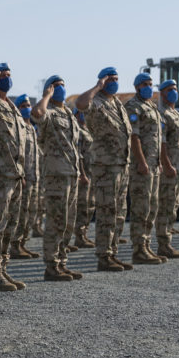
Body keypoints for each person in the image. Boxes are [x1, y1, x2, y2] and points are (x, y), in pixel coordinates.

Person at [76, 67, 132, 271]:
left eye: (117, 79)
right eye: (110, 79)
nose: (114, 82)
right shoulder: (96, 101)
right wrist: (97, 86)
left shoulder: (117, 103)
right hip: (106, 167)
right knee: (106, 212)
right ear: (102, 81)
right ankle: (103, 256)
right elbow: (80, 104)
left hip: (121, 165)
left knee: (119, 213)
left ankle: (112, 252)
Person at [32, 75, 86, 280]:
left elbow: (75, 147)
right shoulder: (49, 112)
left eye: (63, 85)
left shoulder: (69, 115)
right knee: (56, 222)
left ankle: (62, 263)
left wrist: (81, 171)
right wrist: (46, 95)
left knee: (68, 222)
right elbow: (37, 113)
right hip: (56, 174)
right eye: (56, 86)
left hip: (71, 174)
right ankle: (51, 267)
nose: (61, 88)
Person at [0, 64, 27, 290]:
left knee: (11, 225)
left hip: (15, 174)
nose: (7, 79)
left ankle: (3, 269)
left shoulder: (11, 106)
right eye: (3, 75)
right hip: (0, 174)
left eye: (10, 75)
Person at [124, 73, 165, 264]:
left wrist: (159, 162)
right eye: (144, 84)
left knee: (152, 207)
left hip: (153, 165)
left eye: (150, 84)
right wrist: (141, 161)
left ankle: (146, 245)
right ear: (137, 87)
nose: (149, 87)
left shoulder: (152, 107)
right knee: (141, 207)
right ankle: (139, 249)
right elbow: (134, 137)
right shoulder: (133, 107)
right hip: (142, 165)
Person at [153, 80, 179, 259]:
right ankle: (163, 245)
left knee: (172, 207)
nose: (173, 92)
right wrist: (166, 164)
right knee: (166, 206)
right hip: (170, 168)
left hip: (178, 167)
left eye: (175, 89)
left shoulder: (175, 113)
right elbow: (162, 143)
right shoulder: (163, 114)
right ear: (162, 94)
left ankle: (167, 243)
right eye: (169, 90)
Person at [9, 94, 41, 259]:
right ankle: (15, 245)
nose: (27, 108)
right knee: (20, 213)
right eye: (23, 106)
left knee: (31, 213)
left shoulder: (32, 128)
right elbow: (15, 153)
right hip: (23, 177)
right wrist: (19, 174)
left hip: (34, 177)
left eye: (28, 105)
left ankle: (23, 244)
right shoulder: (17, 126)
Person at [73, 107, 95, 248]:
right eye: (80, 113)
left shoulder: (87, 130)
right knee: (82, 206)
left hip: (92, 172)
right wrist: (82, 174)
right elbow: (79, 154)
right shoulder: (78, 131)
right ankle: (79, 236)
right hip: (84, 174)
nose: (84, 115)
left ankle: (84, 234)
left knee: (90, 206)